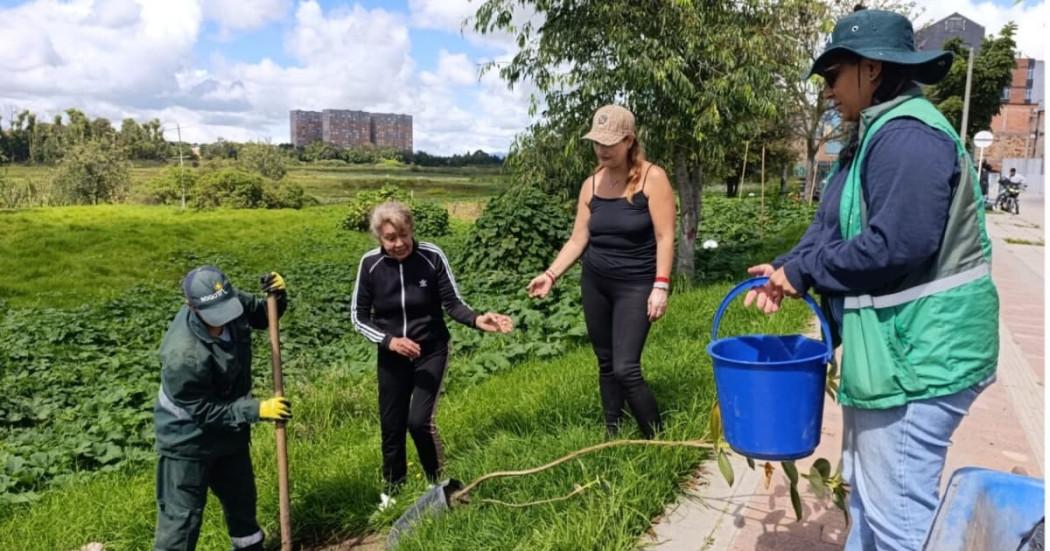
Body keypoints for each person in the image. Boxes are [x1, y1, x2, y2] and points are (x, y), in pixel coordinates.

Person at [743, 8, 998, 551]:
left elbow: (898, 246)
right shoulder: (868, 139)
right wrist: (789, 267)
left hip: (920, 357)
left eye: (834, 75)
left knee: (900, 517)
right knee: (868, 499)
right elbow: (828, 225)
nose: (828, 90)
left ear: (872, 70)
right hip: (892, 352)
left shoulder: (908, 138)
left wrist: (807, 271)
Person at [526, 104, 676, 439]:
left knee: (626, 367)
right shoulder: (590, 185)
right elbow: (579, 238)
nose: (602, 149)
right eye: (597, 142)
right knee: (606, 362)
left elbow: (665, 236)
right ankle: (613, 431)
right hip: (596, 282)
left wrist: (661, 285)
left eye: (610, 142)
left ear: (629, 140)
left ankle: (657, 437)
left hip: (636, 284)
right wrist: (550, 275)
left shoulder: (653, 178)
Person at [351, 201, 513, 507]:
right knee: (392, 425)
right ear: (379, 238)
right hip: (392, 355)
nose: (398, 244)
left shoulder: (431, 256)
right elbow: (359, 317)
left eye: (403, 235)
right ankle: (392, 493)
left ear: (411, 229)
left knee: (419, 421)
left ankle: (437, 484)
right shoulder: (369, 265)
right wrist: (389, 341)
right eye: (389, 238)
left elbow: (453, 303)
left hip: (431, 349)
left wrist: (479, 319)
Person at [154, 266, 292, 551]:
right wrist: (256, 410)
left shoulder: (226, 300)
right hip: (187, 442)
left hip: (230, 437)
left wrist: (277, 297)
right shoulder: (184, 355)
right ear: (191, 306)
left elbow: (266, 316)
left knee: (242, 505)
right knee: (182, 521)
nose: (224, 319)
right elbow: (204, 411)